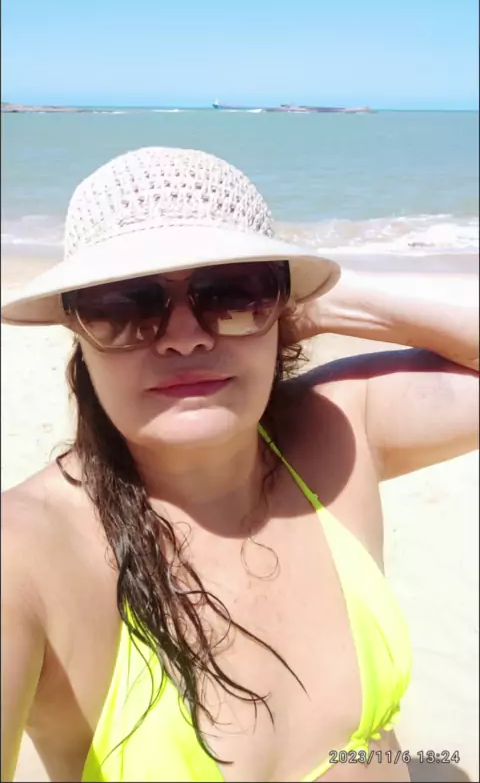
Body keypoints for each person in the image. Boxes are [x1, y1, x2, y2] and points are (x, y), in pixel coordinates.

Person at [1, 147, 478, 783]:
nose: (186, 338)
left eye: (232, 293)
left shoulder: (338, 430)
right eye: (125, 304)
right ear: (77, 330)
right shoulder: (25, 555)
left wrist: (325, 303)